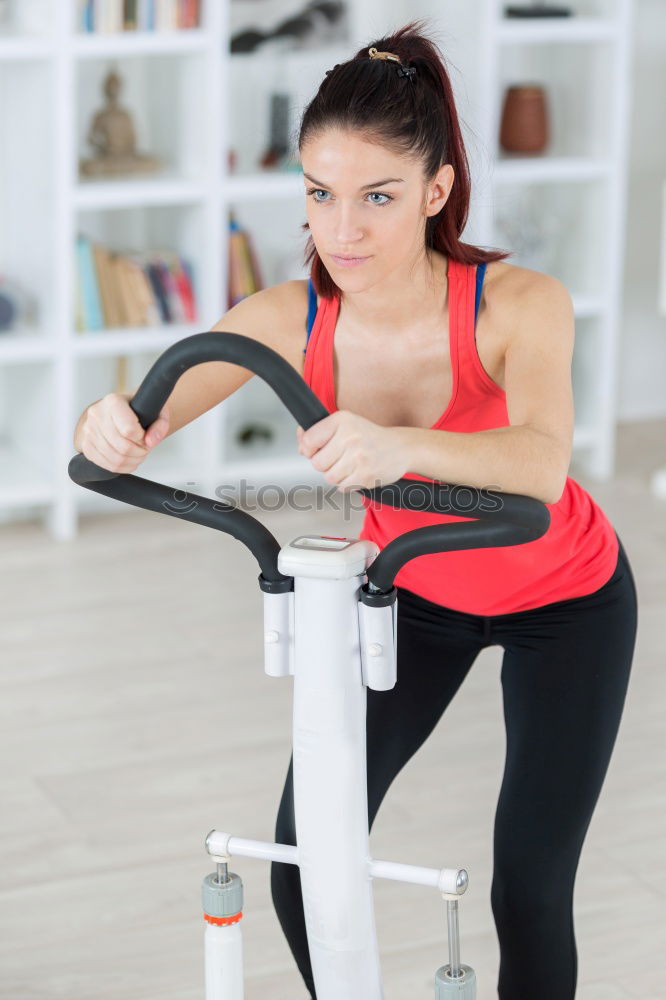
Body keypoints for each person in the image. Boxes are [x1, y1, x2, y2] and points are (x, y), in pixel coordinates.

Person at [73, 20, 638, 1000]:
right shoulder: (287, 321)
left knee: (530, 889)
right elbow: (146, 413)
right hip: (409, 591)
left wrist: (400, 447)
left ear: (436, 191)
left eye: (378, 196)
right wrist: (110, 427)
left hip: (567, 597)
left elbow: (543, 465)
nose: (344, 230)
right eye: (321, 194)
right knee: (304, 860)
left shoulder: (517, 305)